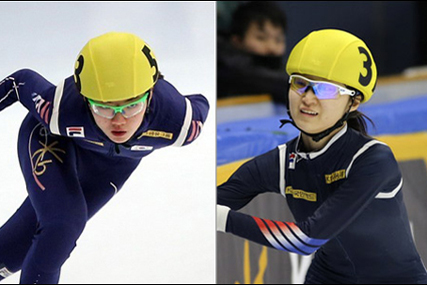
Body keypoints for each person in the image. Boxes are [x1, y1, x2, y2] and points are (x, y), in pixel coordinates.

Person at [217, 29, 427, 283]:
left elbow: (308, 238)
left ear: (354, 102)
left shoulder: (373, 159)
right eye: (300, 83)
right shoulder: (281, 163)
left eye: (325, 90)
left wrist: (220, 218)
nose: (307, 98)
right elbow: (209, 203)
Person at [0, 32, 209, 284]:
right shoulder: (59, 109)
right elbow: (18, 82)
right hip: (52, 141)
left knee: (21, 247)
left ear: (150, 94)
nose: (118, 120)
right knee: (62, 226)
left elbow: (201, 102)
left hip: (109, 167)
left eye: (132, 105)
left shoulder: (180, 123)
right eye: (104, 107)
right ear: (85, 100)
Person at [217, 1, 289, 105]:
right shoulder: (224, 69)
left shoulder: (285, 72)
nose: (272, 47)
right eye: (261, 38)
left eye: (278, 40)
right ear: (237, 41)